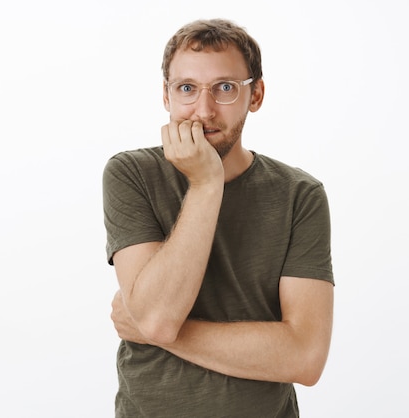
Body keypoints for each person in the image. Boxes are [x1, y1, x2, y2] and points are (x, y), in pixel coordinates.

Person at [102, 18, 334, 417]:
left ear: (256, 94)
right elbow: (159, 317)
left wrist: (159, 331)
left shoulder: (300, 195)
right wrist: (206, 185)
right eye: (187, 89)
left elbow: (305, 358)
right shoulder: (131, 174)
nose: (203, 110)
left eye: (225, 88)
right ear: (166, 95)